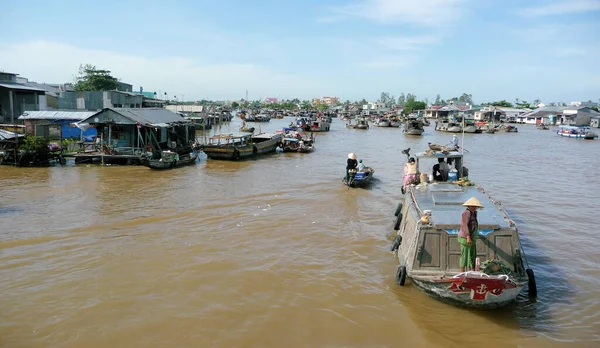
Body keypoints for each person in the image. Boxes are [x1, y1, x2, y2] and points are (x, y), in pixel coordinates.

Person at [458, 197, 484, 272]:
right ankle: (462, 272)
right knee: (464, 256)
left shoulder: (474, 213)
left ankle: (472, 270)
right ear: (469, 206)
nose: (475, 207)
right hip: (465, 238)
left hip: (472, 238)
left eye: (475, 206)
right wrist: (468, 236)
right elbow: (464, 225)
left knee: (472, 255)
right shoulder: (466, 213)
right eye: (473, 206)